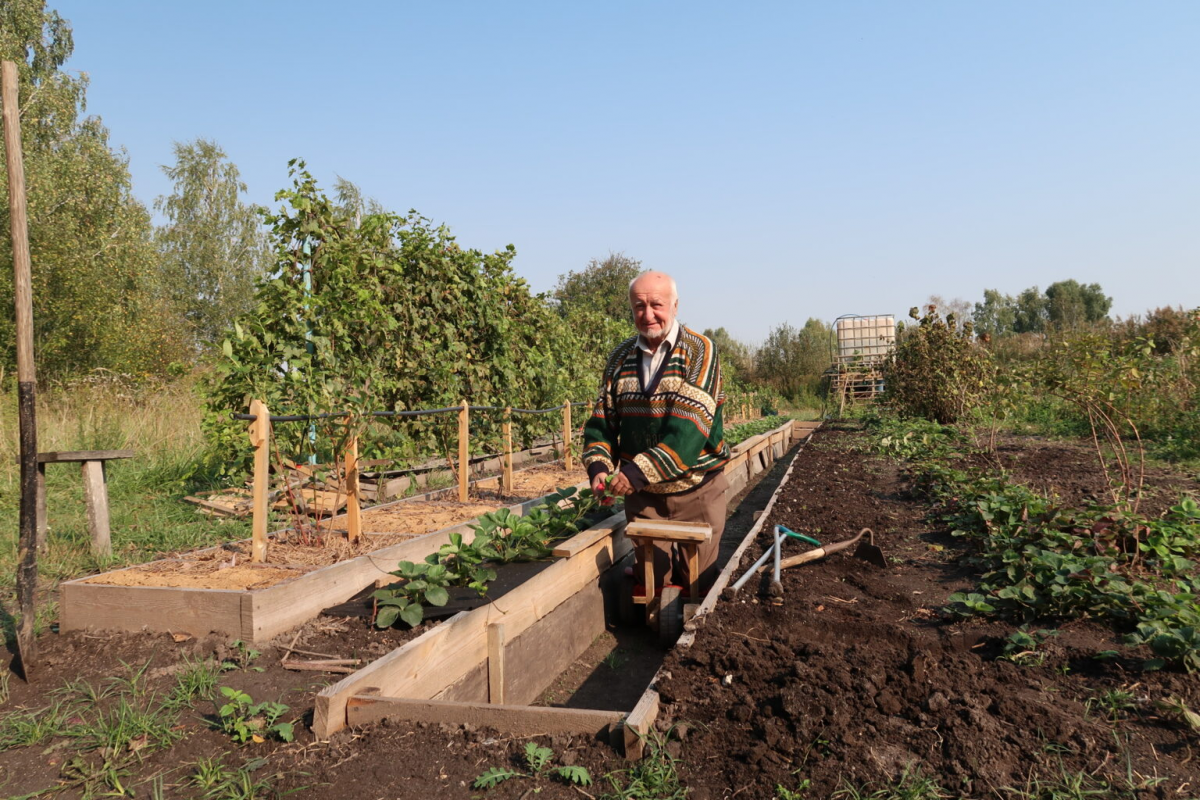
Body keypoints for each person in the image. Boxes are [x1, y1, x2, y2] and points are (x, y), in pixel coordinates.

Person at [582, 270, 730, 593]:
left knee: (698, 585)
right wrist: (599, 469)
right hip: (645, 498)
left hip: (698, 490)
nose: (648, 315)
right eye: (639, 306)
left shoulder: (700, 352)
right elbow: (601, 424)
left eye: (656, 305)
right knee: (652, 584)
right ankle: (653, 612)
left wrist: (635, 472)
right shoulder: (620, 360)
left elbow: (689, 430)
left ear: (675, 306)